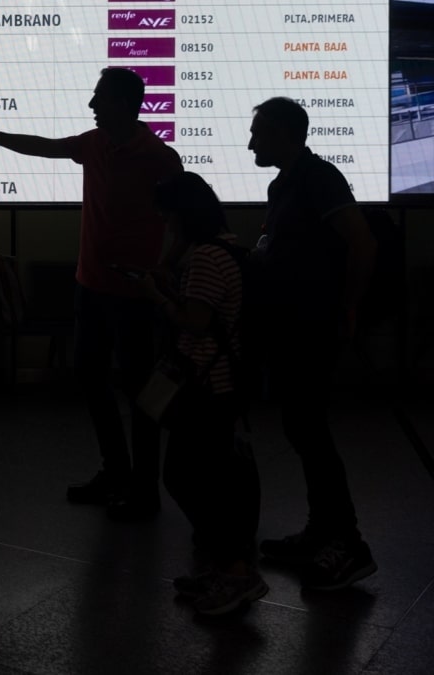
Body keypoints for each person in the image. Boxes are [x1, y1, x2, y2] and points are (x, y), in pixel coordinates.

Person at [0, 67, 183, 521]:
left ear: (125, 104)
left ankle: (143, 487)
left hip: (136, 297)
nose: (92, 106)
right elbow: (45, 147)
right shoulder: (94, 145)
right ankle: (116, 472)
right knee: (92, 379)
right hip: (91, 287)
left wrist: (163, 271)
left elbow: (183, 220)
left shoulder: (159, 158)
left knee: (139, 391)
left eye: (99, 98)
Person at [246, 96, 378, 590]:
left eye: (258, 132)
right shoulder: (284, 183)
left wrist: (347, 309)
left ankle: (348, 544)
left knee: (311, 433)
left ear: (282, 133)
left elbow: (363, 243)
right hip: (290, 325)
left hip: (312, 326)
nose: (250, 141)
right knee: (302, 429)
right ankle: (323, 531)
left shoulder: (318, 177)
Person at [134, 172, 265, 615]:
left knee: (188, 476)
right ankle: (224, 565)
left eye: (166, 215)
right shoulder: (228, 248)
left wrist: (156, 296)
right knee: (209, 476)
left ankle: (235, 571)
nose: (164, 224)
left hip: (208, 384)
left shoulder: (207, 257)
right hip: (223, 382)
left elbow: (195, 322)